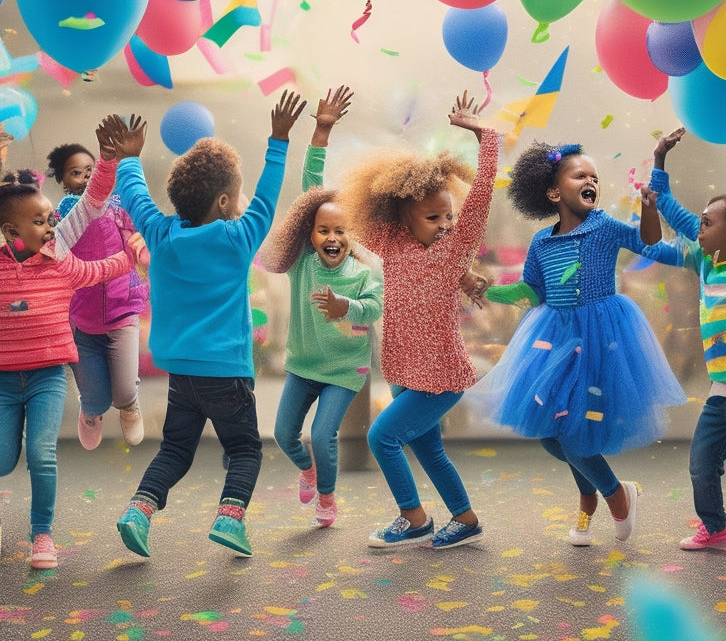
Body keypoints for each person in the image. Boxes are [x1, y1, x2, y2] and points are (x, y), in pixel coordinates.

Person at [106, 91, 306, 559]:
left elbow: (135, 197)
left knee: (175, 449)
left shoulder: (160, 232)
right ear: (223, 201)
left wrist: (130, 159)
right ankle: (230, 519)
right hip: (226, 373)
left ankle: (138, 511)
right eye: (236, 195)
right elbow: (270, 197)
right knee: (244, 450)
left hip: (183, 373)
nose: (242, 202)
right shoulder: (238, 238)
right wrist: (278, 140)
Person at [469, 141, 686, 546]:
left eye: (594, 177)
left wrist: (650, 208)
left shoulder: (604, 226)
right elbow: (533, 292)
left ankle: (616, 496)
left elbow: (649, 242)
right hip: (555, 340)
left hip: (602, 339)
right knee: (554, 434)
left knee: (574, 433)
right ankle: (592, 493)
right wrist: (490, 290)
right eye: (579, 175)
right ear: (553, 192)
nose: (590, 181)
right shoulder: (541, 242)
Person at [339, 91, 497, 549]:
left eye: (449, 215)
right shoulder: (393, 244)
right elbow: (361, 210)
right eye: (432, 217)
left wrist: (483, 137)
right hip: (405, 372)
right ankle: (464, 519)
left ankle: (414, 517)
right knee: (430, 451)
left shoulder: (452, 252)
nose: (445, 224)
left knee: (381, 437)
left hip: (440, 375)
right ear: (401, 218)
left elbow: (483, 193)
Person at [0, 125, 133, 569]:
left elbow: (96, 228)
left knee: (42, 454)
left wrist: (108, 159)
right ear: (9, 231)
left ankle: (42, 535)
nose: (51, 224)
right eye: (39, 221)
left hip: (46, 378)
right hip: (2, 383)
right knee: (3, 462)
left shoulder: (61, 257)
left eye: (50, 218)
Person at [260, 85, 383, 528]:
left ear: (352, 236)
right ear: (310, 235)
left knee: (322, 435)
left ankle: (327, 497)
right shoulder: (302, 265)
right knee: (284, 435)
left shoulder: (366, 270)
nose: (332, 238)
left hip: (346, 370)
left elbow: (372, 309)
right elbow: (309, 192)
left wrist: (344, 306)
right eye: (323, 230)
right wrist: (321, 130)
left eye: (341, 232)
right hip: (303, 364)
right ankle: (307, 469)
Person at [644, 128, 726, 551]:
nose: (698, 227)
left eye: (707, 223)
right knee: (702, 465)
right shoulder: (707, 264)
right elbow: (669, 209)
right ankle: (715, 530)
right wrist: (660, 160)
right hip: (721, 393)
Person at [46, 140, 149, 450]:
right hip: (82, 319)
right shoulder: (62, 215)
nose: (85, 176)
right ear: (62, 181)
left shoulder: (118, 205)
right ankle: (90, 413)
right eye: (76, 173)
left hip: (121, 312)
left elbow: (134, 231)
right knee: (96, 398)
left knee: (122, 393)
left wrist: (142, 247)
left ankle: (130, 405)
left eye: (90, 170)